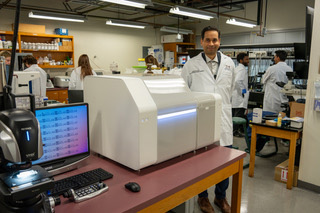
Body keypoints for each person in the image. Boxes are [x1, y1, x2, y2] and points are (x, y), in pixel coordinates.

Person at [181, 26, 235, 213]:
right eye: (208, 40)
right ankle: (202, 197)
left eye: (215, 40)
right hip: (200, 120)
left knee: (224, 162)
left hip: (223, 119)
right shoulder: (190, 65)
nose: (211, 44)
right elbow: (184, 92)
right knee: (201, 163)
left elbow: (231, 88)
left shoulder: (229, 63)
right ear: (201, 42)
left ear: (219, 41)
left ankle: (221, 197)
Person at [231, 53, 249, 137]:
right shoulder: (242, 69)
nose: (248, 61)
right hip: (239, 96)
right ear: (241, 60)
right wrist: (243, 91)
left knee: (234, 115)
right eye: (246, 59)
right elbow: (238, 81)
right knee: (238, 115)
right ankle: (234, 132)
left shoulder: (237, 68)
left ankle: (234, 130)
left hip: (235, 96)